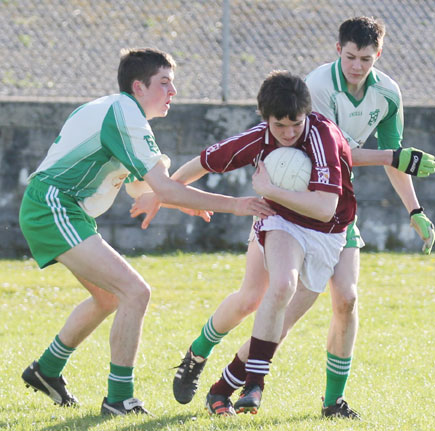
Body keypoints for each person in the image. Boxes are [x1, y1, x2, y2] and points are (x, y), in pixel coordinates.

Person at [159, 16, 435, 419]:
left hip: (334, 208)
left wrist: (414, 209)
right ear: (337, 50)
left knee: (345, 298)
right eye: (350, 56)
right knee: (254, 298)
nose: (357, 66)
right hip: (286, 210)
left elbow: (352, 158)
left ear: (378, 55)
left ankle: (323, 400)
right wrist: (164, 193)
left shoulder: (386, 95)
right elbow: (340, 150)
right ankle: (200, 359)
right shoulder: (315, 91)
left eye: (366, 58)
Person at [19, 47, 274, 417]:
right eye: (165, 83)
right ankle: (119, 398)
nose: (173, 92)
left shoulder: (118, 111)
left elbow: (147, 188)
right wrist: (238, 204)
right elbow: (163, 188)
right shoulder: (125, 114)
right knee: (135, 292)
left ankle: (46, 370)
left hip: (59, 208)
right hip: (53, 207)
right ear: (138, 86)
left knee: (109, 298)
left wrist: (177, 200)